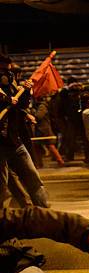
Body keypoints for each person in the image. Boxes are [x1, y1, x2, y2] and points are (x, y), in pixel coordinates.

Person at [0, 54, 50, 208]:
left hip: (15, 141)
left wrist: (26, 91)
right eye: (4, 71)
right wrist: (5, 100)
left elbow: (21, 105)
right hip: (1, 142)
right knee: (2, 186)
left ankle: (42, 210)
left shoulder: (12, 85)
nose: (7, 75)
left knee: (32, 177)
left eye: (8, 71)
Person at [49, 77, 89, 166]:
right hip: (75, 120)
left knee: (82, 139)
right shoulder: (66, 93)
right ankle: (72, 156)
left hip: (78, 120)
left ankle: (86, 157)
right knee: (73, 139)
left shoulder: (79, 91)